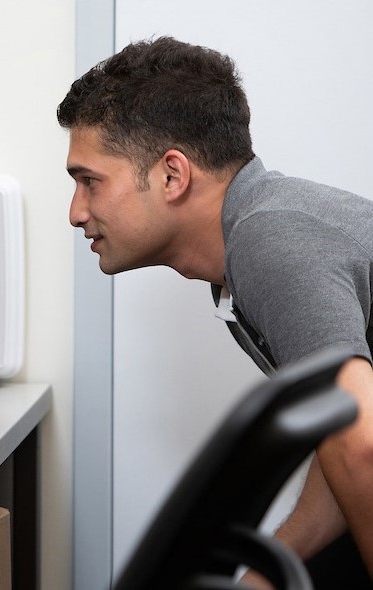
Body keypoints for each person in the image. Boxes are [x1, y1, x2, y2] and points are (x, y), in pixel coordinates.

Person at [57, 37, 373, 589]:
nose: (76, 212)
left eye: (90, 181)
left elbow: (362, 445)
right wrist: (261, 574)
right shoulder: (251, 244)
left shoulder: (269, 240)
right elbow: (343, 434)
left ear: (173, 176)